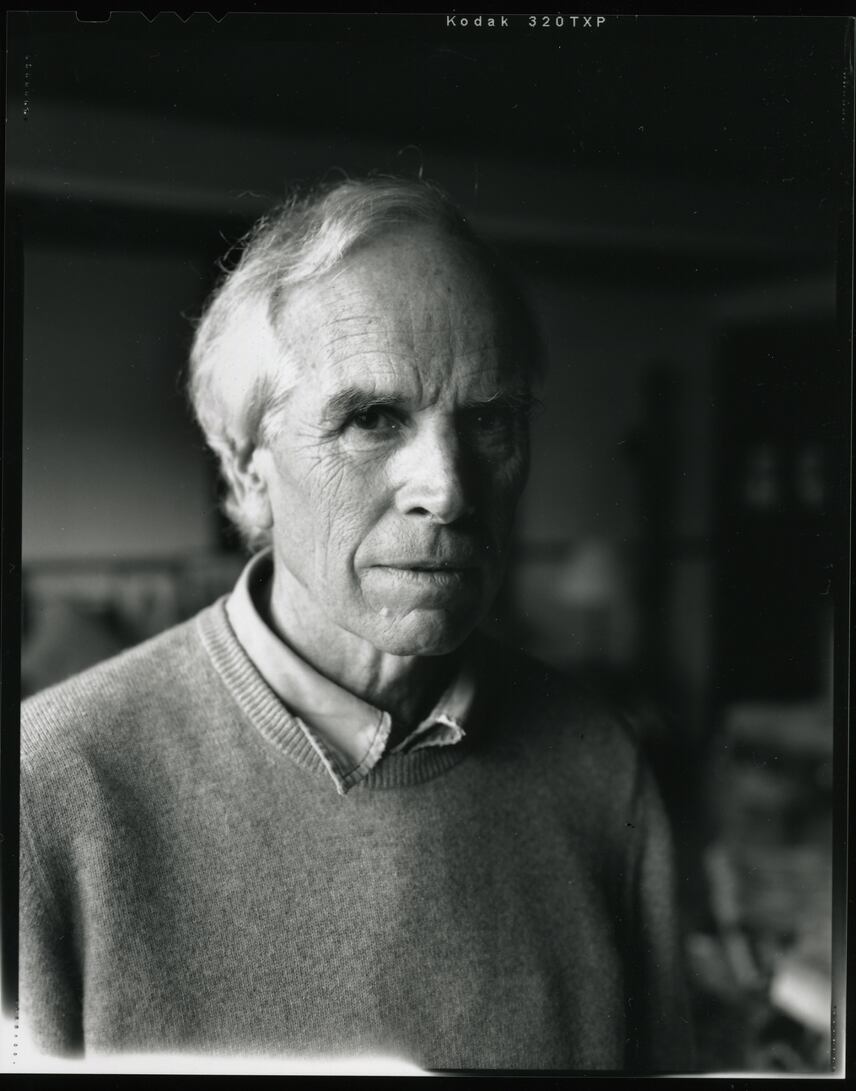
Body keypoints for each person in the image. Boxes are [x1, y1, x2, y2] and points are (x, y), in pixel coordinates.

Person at [20, 176, 694, 1071]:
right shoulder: (48, 787)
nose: (449, 489)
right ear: (248, 468)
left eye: (489, 419)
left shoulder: (601, 765)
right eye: (372, 418)